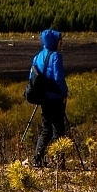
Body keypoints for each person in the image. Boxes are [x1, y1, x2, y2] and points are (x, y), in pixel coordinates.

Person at [27, 28, 68, 167]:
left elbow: (31, 77)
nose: (61, 44)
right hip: (55, 98)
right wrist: (64, 94)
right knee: (59, 130)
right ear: (55, 41)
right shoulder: (56, 56)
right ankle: (59, 162)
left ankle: (37, 159)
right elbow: (59, 78)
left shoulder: (37, 56)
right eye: (60, 41)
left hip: (43, 98)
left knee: (46, 129)